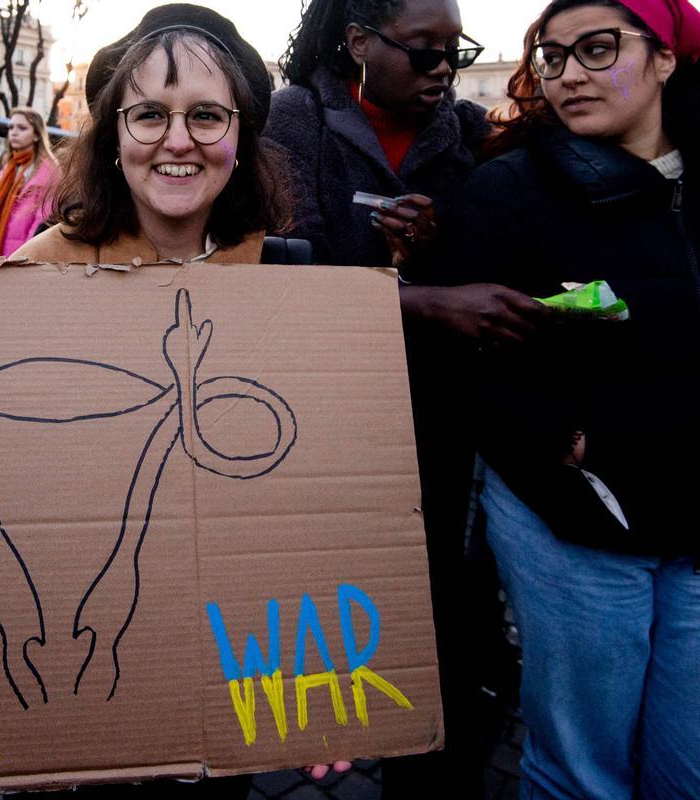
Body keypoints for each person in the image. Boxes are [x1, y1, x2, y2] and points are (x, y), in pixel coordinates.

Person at [14, 7, 344, 794]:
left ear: (242, 134)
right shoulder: (31, 276)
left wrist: (313, 676)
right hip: (62, 669)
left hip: (224, 671)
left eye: (205, 115)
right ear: (113, 133)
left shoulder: (288, 275)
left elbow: (316, 499)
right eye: (149, 115)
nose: (177, 139)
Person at [264, 1, 553, 794]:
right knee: (345, 601)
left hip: (442, 419)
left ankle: (434, 755)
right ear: (358, 41)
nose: (441, 72)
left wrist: (431, 249)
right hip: (330, 418)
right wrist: (427, 303)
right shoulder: (298, 119)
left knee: (443, 611)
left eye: (454, 54)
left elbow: (489, 256)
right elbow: (288, 279)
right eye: (423, 52)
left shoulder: (463, 131)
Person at [444, 0, 700, 796]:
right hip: (574, 520)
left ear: (665, 59)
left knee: (685, 766)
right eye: (552, 57)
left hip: (695, 522)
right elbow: (472, 359)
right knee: (582, 771)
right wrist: (572, 443)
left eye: (597, 49)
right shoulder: (508, 189)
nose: (570, 75)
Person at [0, 107, 60, 259]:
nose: (14, 132)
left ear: (37, 135)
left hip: (23, 255)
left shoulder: (49, 170)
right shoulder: (9, 167)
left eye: (22, 128)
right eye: (11, 127)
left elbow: (42, 222)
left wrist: (26, 255)